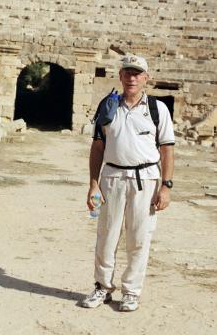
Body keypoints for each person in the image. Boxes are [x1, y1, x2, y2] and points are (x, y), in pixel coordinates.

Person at [81, 54, 175, 312]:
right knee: (106, 235)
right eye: (127, 73)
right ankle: (102, 287)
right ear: (121, 76)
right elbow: (97, 146)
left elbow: (167, 149)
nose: (132, 78)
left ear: (146, 78)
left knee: (139, 237)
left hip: (146, 179)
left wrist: (166, 186)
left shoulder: (157, 109)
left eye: (137, 73)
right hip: (111, 178)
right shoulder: (108, 106)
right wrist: (93, 183)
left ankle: (131, 291)